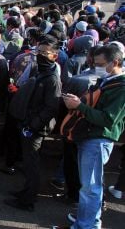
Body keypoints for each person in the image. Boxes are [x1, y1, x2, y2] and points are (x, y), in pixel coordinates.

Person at [60, 45, 125, 229]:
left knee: (90, 188)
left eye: (101, 64)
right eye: (95, 63)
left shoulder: (120, 87)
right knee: (88, 186)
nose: (97, 68)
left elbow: (108, 119)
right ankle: (85, 219)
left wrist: (79, 106)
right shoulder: (107, 80)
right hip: (90, 137)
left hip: (98, 139)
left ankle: (88, 225)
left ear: (116, 62)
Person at [4, 36, 61, 211]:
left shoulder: (52, 78)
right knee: (28, 163)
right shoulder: (41, 72)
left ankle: (28, 200)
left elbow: (51, 107)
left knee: (32, 164)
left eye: (46, 53)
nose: (41, 55)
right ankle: (26, 191)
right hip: (27, 122)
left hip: (35, 127)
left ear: (55, 56)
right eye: (39, 51)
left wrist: (33, 125)